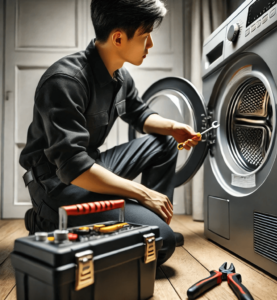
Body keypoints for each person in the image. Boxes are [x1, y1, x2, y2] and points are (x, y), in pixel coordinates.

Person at [20, 0, 200, 266]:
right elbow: (74, 169)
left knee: (165, 145)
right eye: (145, 35)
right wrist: (141, 193)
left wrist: (174, 128)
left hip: (91, 167)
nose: (150, 44)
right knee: (162, 243)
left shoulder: (120, 77)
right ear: (118, 38)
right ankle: (45, 220)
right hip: (57, 184)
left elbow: (140, 114)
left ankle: (154, 224)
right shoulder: (64, 81)